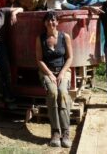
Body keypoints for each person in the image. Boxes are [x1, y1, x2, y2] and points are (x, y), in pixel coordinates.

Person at [35, 11, 73, 148]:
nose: (51, 23)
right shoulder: (40, 38)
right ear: (45, 23)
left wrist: (62, 73)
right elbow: (39, 60)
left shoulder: (65, 37)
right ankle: (56, 132)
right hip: (47, 72)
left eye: (54, 20)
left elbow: (70, 58)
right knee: (52, 92)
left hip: (63, 71)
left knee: (62, 93)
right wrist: (50, 74)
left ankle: (66, 132)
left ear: (57, 22)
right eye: (49, 20)